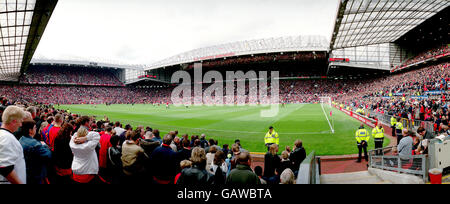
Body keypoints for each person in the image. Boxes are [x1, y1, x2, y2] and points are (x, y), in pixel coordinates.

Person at [19, 120, 52, 184]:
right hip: (35, 174)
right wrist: (45, 146)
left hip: (26, 171)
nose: (36, 129)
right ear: (30, 130)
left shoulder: (21, 138)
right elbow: (48, 155)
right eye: (35, 127)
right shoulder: (34, 144)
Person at [0, 106, 27, 184]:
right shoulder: (6, 138)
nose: (21, 125)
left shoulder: (4, 135)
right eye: (20, 121)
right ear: (14, 121)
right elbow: (5, 168)